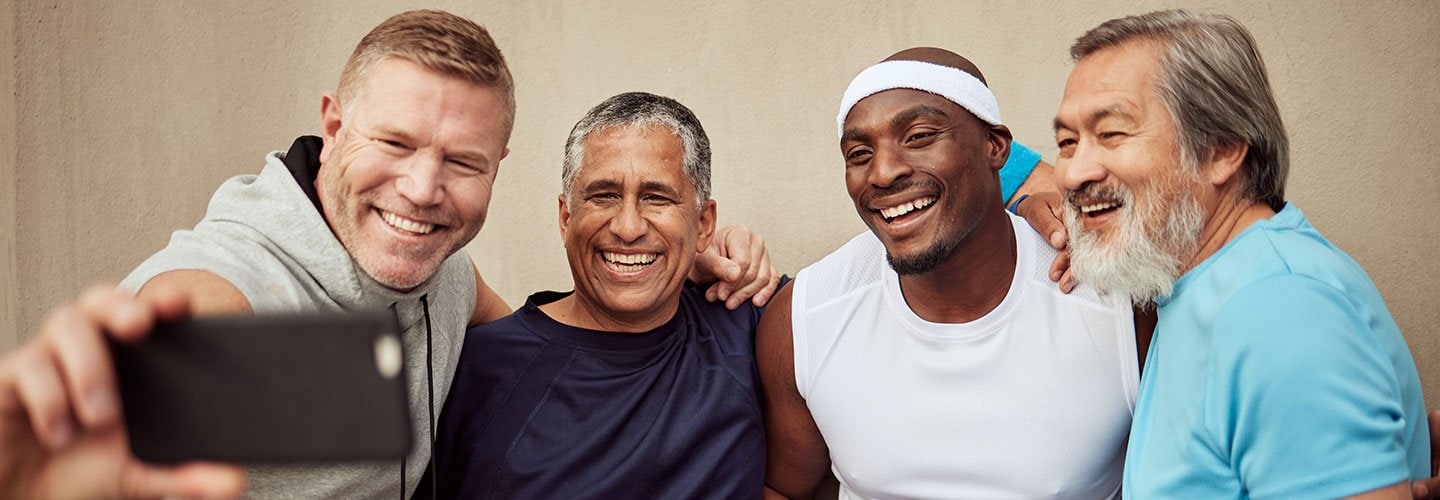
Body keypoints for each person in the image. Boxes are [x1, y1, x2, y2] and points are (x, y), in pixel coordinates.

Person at [0, 10, 775, 499]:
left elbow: (553, 344)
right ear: (333, 126)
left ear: (497, 168)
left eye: (462, 162)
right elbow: (182, 344)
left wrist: (679, 260)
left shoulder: (446, 277)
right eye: (395, 143)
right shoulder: (235, 285)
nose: (423, 188)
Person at [1052, 9, 1429, 498]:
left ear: (1221, 150)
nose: (1073, 173)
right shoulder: (1197, 280)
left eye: (1112, 134)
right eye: (1066, 142)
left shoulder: (1277, 308)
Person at [759, 47, 1139, 499]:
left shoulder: (1120, 303)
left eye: (918, 136)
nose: (882, 173)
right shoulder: (803, 317)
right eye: (859, 153)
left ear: (995, 147)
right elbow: (785, 489)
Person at [419, 91, 769, 498]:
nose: (627, 226)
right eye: (604, 195)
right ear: (566, 217)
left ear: (704, 224)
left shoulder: (749, 322)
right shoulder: (474, 366)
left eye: (656, 197)